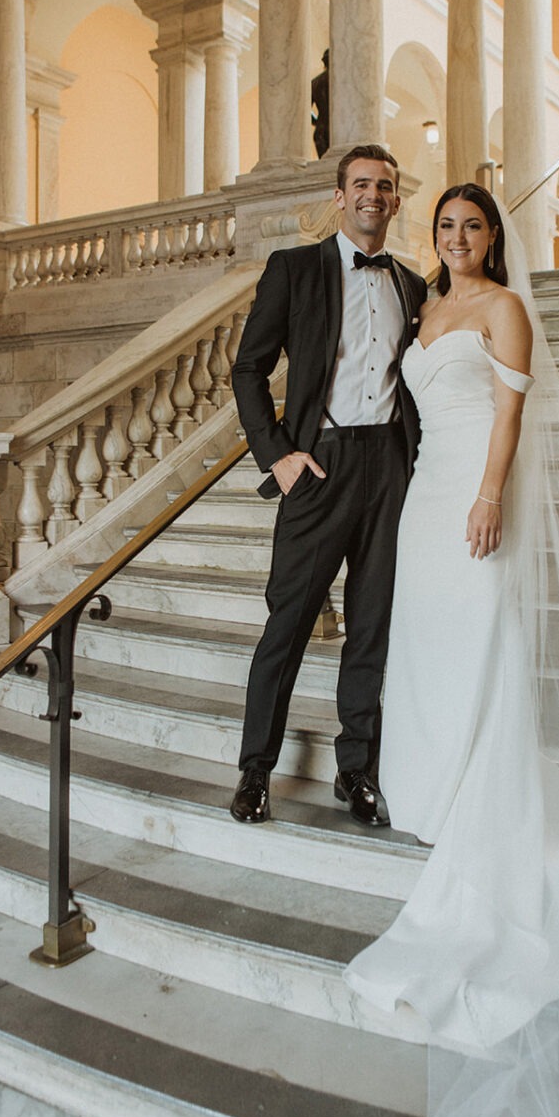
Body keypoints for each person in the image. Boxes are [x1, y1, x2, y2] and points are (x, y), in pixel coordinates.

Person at [344, 184, 559, 1117]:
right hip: (423, 498)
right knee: (428, 642)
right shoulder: (426, 306)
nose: (457, 239)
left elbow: (510, 423)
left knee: (481, 638)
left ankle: (482, 788)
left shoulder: (504, 309)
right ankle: (429, 784)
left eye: (471, 226)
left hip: (476, 495)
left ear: (493, 237)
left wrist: (488, 497)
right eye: (444, 227)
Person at [229, 145, 427, 826]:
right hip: (319, 466)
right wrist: (277, 455)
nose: (375, 195)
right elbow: (247, 369)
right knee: (286, 625)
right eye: (362, 184)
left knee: (371, 627)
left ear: (397, 201)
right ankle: (256, 771)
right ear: (341, 196)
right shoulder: (295, 269)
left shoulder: (411, 285)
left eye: (386, 186)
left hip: (390, 470)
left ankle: (357, 772)